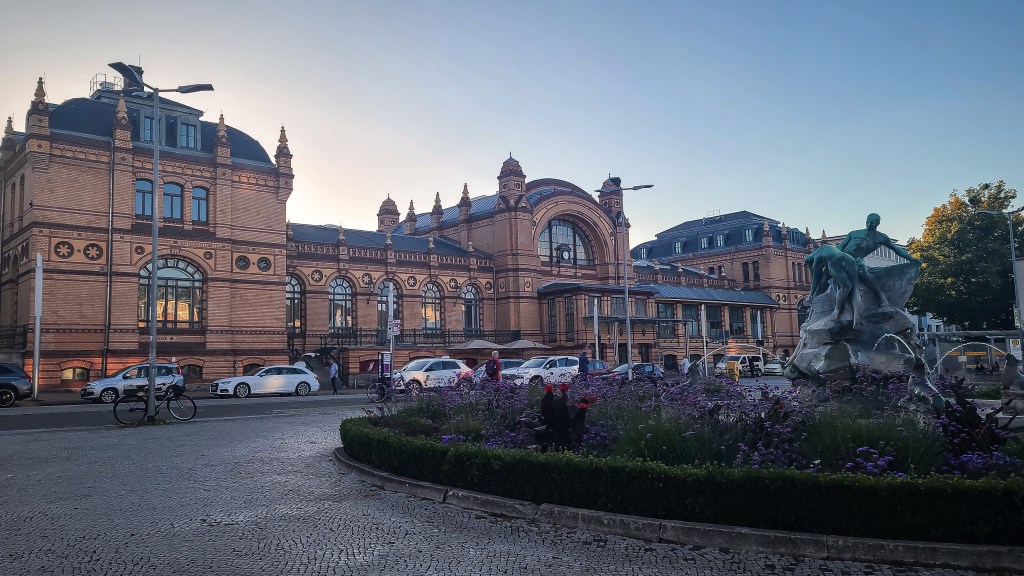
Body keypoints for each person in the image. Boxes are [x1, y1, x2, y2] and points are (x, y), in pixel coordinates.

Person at [837, 213, 920, 307]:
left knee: (864, 274)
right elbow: (840, 247)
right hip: (842, 260)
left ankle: (882, 297)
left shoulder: (881, 238)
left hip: (857, 261)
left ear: (877, 223)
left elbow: (896, 249)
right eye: (867, 222)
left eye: (872, 223)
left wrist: (911, 259)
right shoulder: (854, 233)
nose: (869, 224)